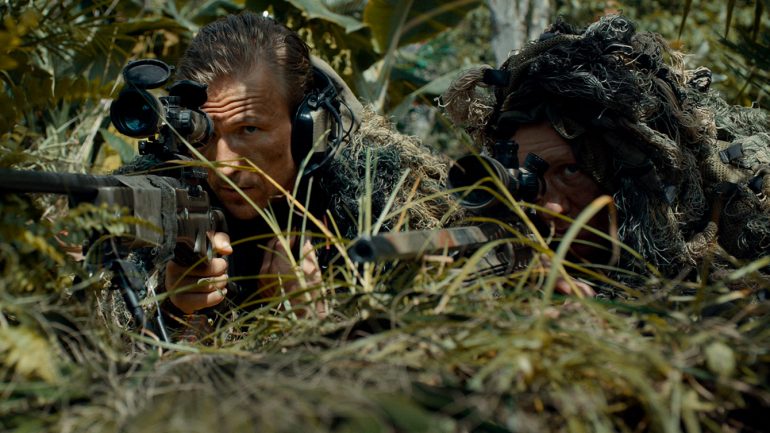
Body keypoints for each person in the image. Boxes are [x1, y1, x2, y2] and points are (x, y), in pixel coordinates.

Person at [118, 12, 456, 327]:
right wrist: (173, 308)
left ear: (309, 126)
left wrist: (316, 320)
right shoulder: (169, 189)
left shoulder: (377, 200)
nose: (222, 165)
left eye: (249, 129)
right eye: (206, 133)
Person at [440, 14, 770, 292]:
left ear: (624, 172)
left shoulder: (728, 221)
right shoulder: (524, 246)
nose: (550, 207)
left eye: (569, 171)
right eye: (528, 177)